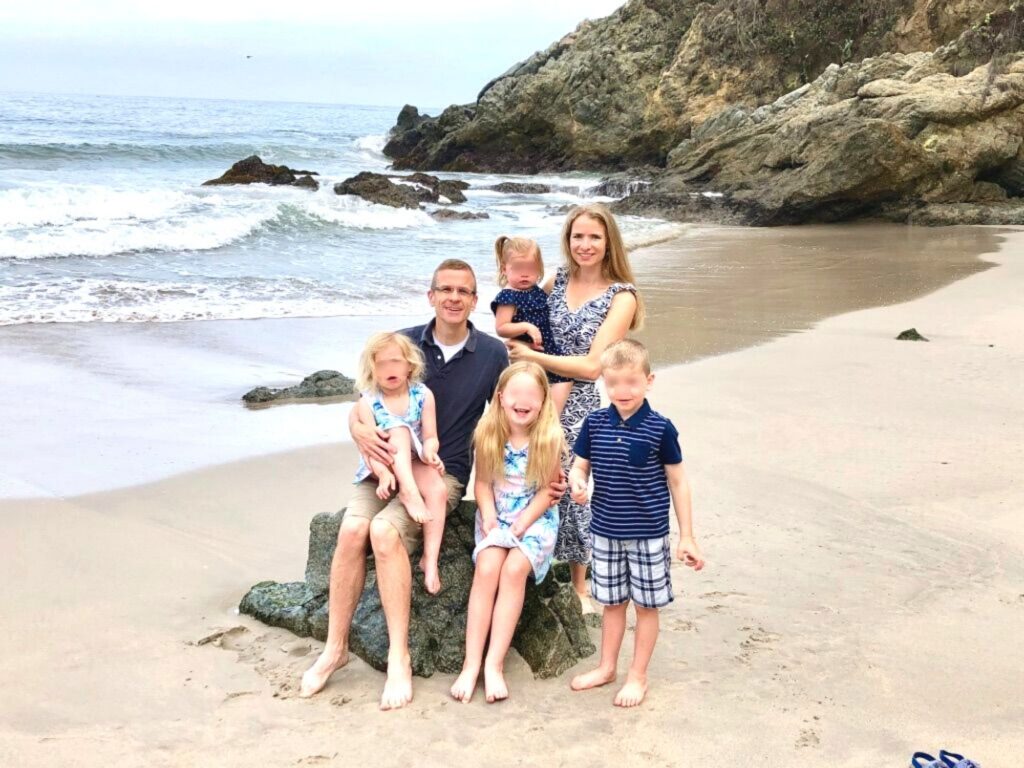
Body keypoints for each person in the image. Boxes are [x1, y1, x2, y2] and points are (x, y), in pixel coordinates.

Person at [300, 259, 508, 710]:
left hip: (440, 472)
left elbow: (510, 417)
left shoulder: (492, 355)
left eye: (464, 291)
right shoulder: (403, 342)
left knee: (384, 532)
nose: (454, 297)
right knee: (352, 530)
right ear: (430, 295)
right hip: (382, 467)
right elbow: (364, 405)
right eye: (445, 289)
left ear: (475, 301)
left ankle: (399, 656)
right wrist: (355, 429)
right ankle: (335, 649)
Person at [507, 203, 643, 613]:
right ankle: (532, 563)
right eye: (577, 236)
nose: (584, 245)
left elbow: (592, 366)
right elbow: (528, 317)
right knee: (528, 476)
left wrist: (532, 358)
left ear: (608, 243)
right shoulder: (557, 279)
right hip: (536, 394)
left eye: (594, 237)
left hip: (580, 401)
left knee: (572, 486)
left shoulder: (622, 297)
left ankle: (581, 588)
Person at [567, 339, 704, 707]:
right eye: (613, 383)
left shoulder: (661, 428)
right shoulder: (594, 423)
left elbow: (678, 481)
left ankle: (637, 675)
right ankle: (606, 666)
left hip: (647, 535)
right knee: (611, 604)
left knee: (646, 606)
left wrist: (687, 536)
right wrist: (578, 483)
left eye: (631, 382)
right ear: (603, 382)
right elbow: (580, 467)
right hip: (605, 532)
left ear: (649, 380)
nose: (622, 391)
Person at [449, 362, 565, 704]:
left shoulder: (548, 438)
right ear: (500, 398)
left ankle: (493, 664)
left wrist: (521, 524)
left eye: (532, 395)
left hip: (534, 518)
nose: (523, 401)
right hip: (496, 514)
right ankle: (471, 664)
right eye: (515, 394)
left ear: (544, 401)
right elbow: (482, 484)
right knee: (487, 569)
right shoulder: (488, 435)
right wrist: (489, 518)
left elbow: (548, 492)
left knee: (513, 570)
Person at [352, 331, 447, 595]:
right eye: (381, 364)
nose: (389, 369)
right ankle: (407, 491)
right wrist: (382, 474)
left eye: (395, 361)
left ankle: (430, 559)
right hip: (384, 459)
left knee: (438, 490)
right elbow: (368, 449)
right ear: (372, 370)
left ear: (409, 365)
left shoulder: (423, 395)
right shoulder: (368, 402)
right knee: (399, 431)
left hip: (414, 458)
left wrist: (431, 453)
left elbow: (430, 436)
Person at [490, 235, 572, 413]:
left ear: (540, 269)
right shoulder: (508, 296)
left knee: (564, 379)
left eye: (531, 268)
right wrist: (527, 327)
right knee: (532, 385)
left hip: (546, 347)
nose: (525, 274)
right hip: (527, 352)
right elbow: (501, 327)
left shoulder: (535, 291)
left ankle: (550, 417)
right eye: (518, 268)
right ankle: (546, 419)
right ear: (505, 269)